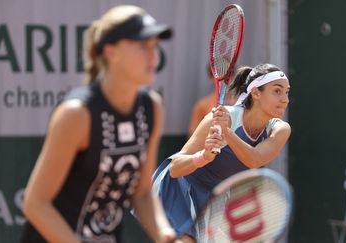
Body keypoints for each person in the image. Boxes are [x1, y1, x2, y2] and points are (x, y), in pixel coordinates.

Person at [21, 5, 177, 243]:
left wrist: (164, 234)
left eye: (155, 46)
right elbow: (36, 203)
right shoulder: (76, 114)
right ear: (110, 52)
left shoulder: (152, 108)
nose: (153, 56)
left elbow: (143, 192)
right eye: (143, 46)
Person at [153, 63, 291, 242]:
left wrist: (226, 132)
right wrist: (204, 156)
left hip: (217, 198)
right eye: (277, 91)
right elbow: (175, 168)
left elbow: (254, 160)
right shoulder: (218, 118)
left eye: (287, 92)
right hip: (181, 190)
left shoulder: (280, 130)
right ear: (256, 93)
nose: (285, 99)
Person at [187, 65, 237, 137]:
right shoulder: (202, 105)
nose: (227, 79)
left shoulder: (244, 104)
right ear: (211, 78)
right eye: (221, 75)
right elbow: (192, 137)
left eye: (230, 74)